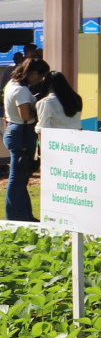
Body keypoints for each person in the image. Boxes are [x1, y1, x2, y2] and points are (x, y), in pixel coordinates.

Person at [4, 57, 47, 222]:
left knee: (20, 178)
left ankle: (24, 215)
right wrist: (41, 109)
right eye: (40, 76)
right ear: (33, 73)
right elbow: (26, 115)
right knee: (18, 178)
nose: (41, 80)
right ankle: (15, 216)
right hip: (21, 133)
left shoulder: (12, 83)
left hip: (14, 130)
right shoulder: (21, 90)